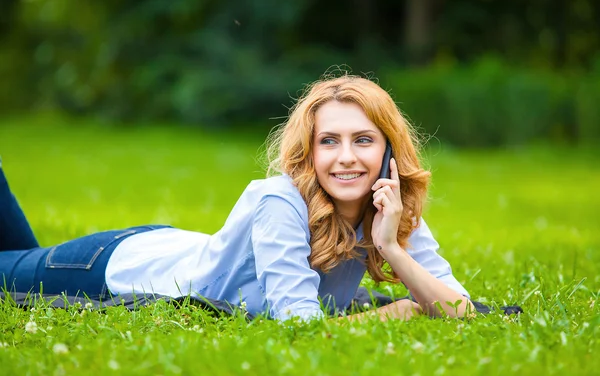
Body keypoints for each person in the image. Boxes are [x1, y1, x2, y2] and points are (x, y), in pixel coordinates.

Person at [0, 75, 473, 322]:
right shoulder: (279, 201)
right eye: (329, 141)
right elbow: (299, 329)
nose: (345, 158)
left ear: (389, 148)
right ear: (309, 150)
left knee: (13, 255)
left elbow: (462, 310)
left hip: (172, 246)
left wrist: (391, 247)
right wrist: (398, 309)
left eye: (363, 140)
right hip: (111, 267)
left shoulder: (389, 207)